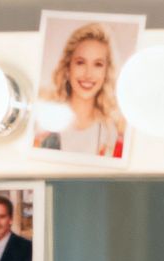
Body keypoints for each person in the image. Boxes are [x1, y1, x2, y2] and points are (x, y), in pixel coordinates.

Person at [36, 21, 125, 159]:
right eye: (80, 62)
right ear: (67, 68)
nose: (88, 74)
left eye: (98, 64)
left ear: (106, 72)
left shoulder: (113, 136)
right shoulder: (42, 128)